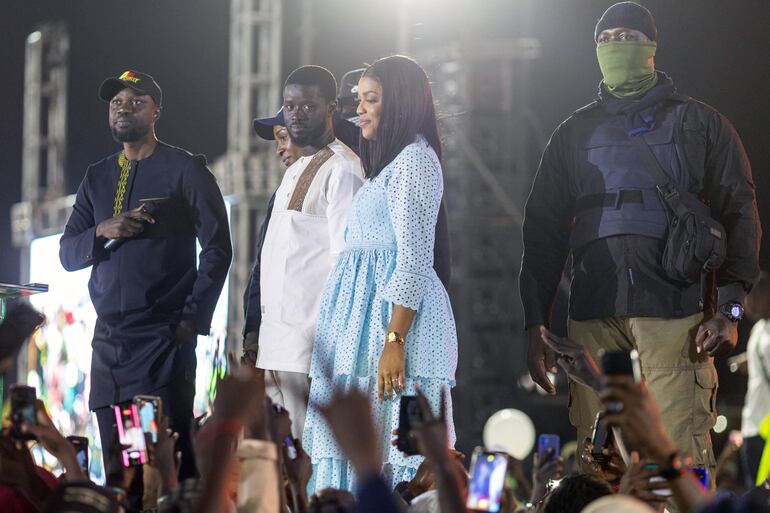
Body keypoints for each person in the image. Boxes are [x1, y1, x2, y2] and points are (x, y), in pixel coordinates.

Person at [520, 1, 761, 481]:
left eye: (627, 37)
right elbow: (542, 231)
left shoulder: (701, 124)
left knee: (674, 463)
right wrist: (534, 324)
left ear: (652, 47)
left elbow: (740, 213)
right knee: (600, 466)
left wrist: (729, 310)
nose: (615, 47)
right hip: (592, 314)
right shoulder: (572, 133)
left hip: (676, 313)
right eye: (605, 40)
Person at [59, 70, 232, 477]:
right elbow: (68, 253)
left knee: (163, 469)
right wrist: (103, 229)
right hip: (108, 345)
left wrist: (189, 321)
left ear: (156, 111)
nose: (124, 109)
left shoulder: (184, 169)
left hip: (161, 342)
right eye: (117, 102)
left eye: (136, 102)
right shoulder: (96, 176)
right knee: (121, 472)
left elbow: (218, 249)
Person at [303, 55, 458, 492]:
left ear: (402, 104)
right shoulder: (389, 167)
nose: (360, 110)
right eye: (359, 99)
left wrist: (394, 341)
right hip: (366, 334)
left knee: (396, 458)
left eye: (371, 99)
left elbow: (413, 259)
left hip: (393, 336)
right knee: (359, 454)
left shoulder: (415, 161)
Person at [243, 65, 364, 439]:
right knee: (278, 470)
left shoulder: (343, 168)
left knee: (307, 466)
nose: (296, 114)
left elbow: (349, 267)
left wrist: (333, 353)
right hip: (275, 348)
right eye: (289, 105)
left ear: (331, 108)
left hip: (311, 352)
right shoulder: (292, 172)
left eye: (307, 106)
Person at [741, 271, 770, 486]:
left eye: (750, 295)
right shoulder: (759, 329)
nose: (745, 303)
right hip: (753, 425)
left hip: (764, 430)